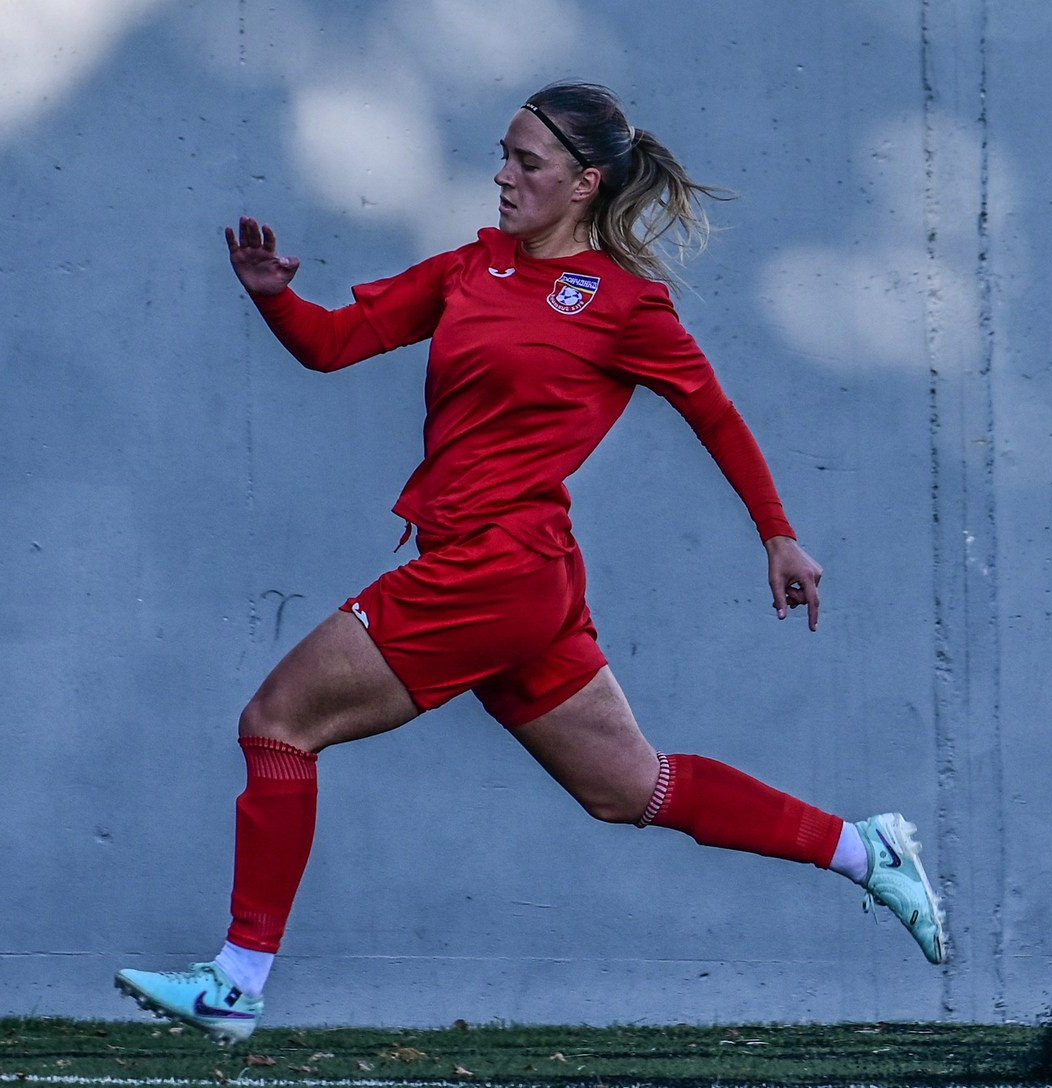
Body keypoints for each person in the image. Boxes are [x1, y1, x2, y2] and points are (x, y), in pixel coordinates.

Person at [115, 82, 944, 1042]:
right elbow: (335, 345)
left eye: (528, 164)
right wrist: (275, 299)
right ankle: (863, 849)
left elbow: (711, 412)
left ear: (585, 183)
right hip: (520, 579)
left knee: (276, 723)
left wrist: (777, 531)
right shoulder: (476, 265)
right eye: (502, 156)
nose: (504, 177)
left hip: (495, 570)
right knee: (629, 788)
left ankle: (238, 979)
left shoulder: (626, 305)